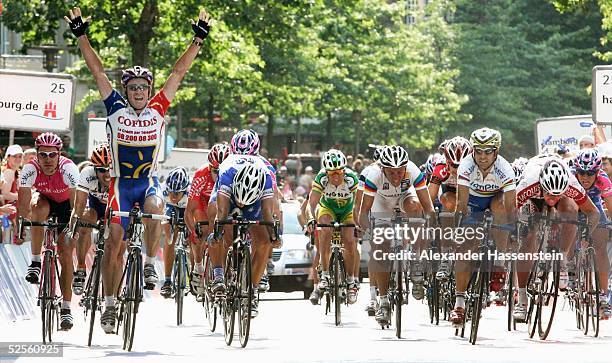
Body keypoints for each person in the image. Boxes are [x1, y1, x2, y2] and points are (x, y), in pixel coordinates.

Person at [66, 6, 213, 334]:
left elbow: (177, 74)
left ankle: (149, 264)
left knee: (156, 209)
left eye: (142, 88)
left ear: (149, 91)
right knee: (115, 240)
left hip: (146, 182)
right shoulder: (115, 107)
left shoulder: (159, 108)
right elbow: (97, 71)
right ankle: (108, 304)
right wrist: (81, 35)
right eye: (132, 88)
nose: (138, 93)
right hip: (120, 184)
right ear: (127, 90)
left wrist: (197, 40)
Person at [512, 155, 601, 322]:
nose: (552, 199)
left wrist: (585, 233)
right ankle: (522, 298)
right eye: (549, 194)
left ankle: (561, 260)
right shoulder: (528, 184)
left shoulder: (571, 185)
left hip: (562, 191)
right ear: (542, 187)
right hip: (534, 197)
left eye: (556, 195)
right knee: (529, 235)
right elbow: (510, 211)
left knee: (570, 210)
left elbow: (593, 212)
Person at [450, 128, 517, 327]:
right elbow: (460, 204)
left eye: (488, 151)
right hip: (473, 203)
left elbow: (512, 205)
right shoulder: (466, 165)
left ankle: (500, 260)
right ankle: (459, 304)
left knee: (501, 207)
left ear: (496, 151)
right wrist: (456, 230)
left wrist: (512, 231)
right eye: (478, 151)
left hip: (495, 200)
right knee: (465, 250)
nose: (482, 156)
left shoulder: (505, 168)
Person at [17, 132, 79, 330]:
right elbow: (23, 205)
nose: (48, 159)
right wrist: (21, 225)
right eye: (43, 155)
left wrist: (72, 227)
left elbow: (76, 204)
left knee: (65, 252)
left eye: (52, 155)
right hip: (45, 201)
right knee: (37, 209)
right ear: (37, 154)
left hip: (67, 207)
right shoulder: (30, 169)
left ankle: (67, 308)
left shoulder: (69, 168)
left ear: (59, 154)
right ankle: (36, 261)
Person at [309, 149, 360, 305]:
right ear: (327, 172)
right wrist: (311, 219)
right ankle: (324, 275)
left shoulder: (352, 179)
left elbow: (359, 204)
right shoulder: (321, 178)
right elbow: (312, 203)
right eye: (332, 173)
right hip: (328, 209)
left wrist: (359, 223)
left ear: (344, 170)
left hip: (347, 211)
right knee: (324, 230)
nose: (336, 176)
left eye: (339, 172)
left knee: (350, 240)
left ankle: (351, 281)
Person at [185, 143, 229, 296]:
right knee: (203, 232)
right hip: (202, 204)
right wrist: (194, 231)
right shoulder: (201, 175)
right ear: (209, 167)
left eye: (222, 171)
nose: (218, 175)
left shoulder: (232, 175)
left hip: (221, 202)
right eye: (215, 171)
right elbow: (189, 211)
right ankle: (198, 268)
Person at [67, 143, 111, 296]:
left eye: (109, 169)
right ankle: (80, 268)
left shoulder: (121, 174)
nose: (106, 175)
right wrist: (74, 225)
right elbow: (78, 206)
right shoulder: (87, 173)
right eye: (101, 170)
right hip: (95, 205)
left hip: (115, 206)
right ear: (94, 168)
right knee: (85, 220)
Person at [160, 167, 190, 298]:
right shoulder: (162, 190)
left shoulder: (191, 193)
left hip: (187, 209)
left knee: (194, 237)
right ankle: (167, 281)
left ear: (184, 190)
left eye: (177, 194)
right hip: (171, 209)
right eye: (170, 192)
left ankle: (195, 274)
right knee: (169, 239)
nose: (172, 196)